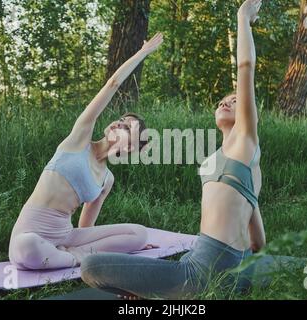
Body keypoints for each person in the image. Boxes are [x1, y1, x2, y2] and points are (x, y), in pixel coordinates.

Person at [80, 0, 266, 299]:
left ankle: (173, 295)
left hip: (204, 273)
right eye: (222, 100)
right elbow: (258, 238)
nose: (225, 102)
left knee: (90, 266)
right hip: (218, 268)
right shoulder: (231, 162)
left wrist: (242, 17)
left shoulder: (245, 140)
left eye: (234, 100)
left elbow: (246, 68)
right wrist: (253, 271)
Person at [8, 33, 165, 270]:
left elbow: (86, 228)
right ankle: (75, 258)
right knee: (27, 246)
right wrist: (141, 53)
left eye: (126, 128)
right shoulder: (79, 139)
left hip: (67, 235)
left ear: (131, 146)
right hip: (31, 234)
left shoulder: (106, 179)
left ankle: (68, 255)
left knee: (139, 234)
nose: (118, 123)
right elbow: (112, 84)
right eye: (120, 119)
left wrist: (124, 244)